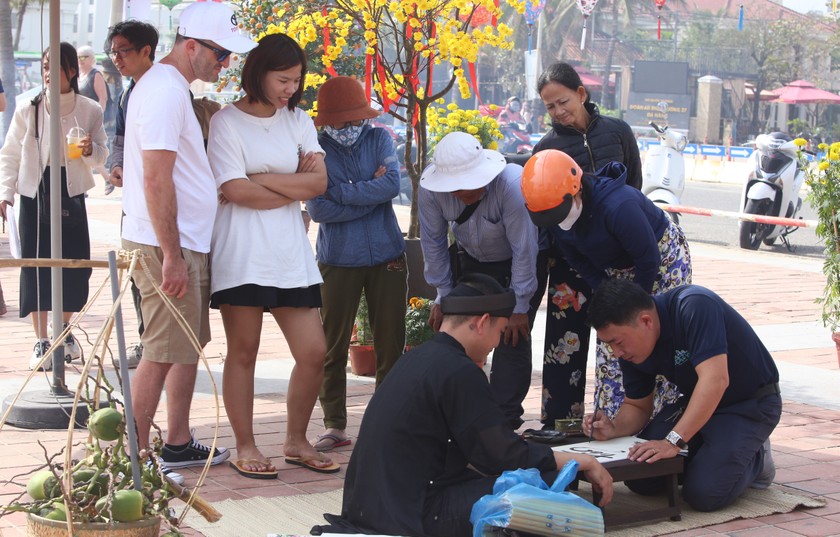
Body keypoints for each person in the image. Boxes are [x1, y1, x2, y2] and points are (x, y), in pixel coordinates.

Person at [330, 273, 613, 537]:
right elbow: (503, 456)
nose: (497, 343)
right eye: (500, 331)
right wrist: (581, 461)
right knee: (542, 483)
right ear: (481, 322)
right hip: (411, 516)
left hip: (370, 508)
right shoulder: (458, 369)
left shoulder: (418, 357)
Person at [121, 1, 255, 479]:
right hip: (166, 244)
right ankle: (127, 464)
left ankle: (176, 443)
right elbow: (157, 180)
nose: (225, 65)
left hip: (182, 241)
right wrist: (173, 255)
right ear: (192, 46)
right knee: (159, 350)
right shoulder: (163, 91)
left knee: (182, 345)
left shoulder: (171, 87)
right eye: (220, 55)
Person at [207, 33, 336, 478]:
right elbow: (232, 189)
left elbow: (318, 184)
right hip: (241, 252)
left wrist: (259, 177)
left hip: (288, 254)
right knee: (243, 351)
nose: (289, 89)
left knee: (314, 351)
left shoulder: (298, 120)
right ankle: (245, 445)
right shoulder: (226, 122)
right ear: (258, 72)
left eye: (296, 81)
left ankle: (296, 440)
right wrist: (284, 181)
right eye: (283, 79)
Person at [585, 279, 781, 512]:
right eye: (609, 345)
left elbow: (716, 380)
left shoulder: (694, 306)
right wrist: (613, 428)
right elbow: (637, 406)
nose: (616, 352)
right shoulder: (632, 348)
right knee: (642, 477)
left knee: (705, 494)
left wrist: (673, 441)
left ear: (645, 321)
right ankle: (711, 457)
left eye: (617, 342)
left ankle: (756, 457)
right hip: (695, 401)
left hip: (748, 403)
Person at [521, 150, 690, 418]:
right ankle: (613, 419)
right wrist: (606, 294)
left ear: (576, 191)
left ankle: (661, 418)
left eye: (560, 212)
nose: (558, 221)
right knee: (614, 341)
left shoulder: (618, 206)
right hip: (616, 267)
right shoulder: (554, 218)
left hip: (661, 261)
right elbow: (579, 261)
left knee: (652, 333)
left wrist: (629, 307)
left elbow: (648, 259)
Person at [533, 61, 644, 426]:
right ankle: (560, 423)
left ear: (581, 94)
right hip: (568, 257)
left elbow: (634, 189)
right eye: (550, 107)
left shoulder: (618, 132)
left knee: (619, 338)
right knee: (565, 343)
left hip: (616, 255)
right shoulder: (546, 148)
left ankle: (617, 418)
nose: (559, 111)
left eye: (563, 101)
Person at [307, 76, 406, 452]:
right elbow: (318, 209)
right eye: (341, 120)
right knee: (330, 345)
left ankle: (389, 420)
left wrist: (340, 192)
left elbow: (392, 185)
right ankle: (334, 423)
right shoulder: (314, 149)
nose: (349, 126)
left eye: (354, 118)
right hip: (337, 259)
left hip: (388, 254)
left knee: (391, 342)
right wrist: (369, 189)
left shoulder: (380, 137)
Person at [419, 131, 542, 430]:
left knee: (511, 337)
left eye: (471, 183)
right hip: (471, 258)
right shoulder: (430, 191)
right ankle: (464, 412)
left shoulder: (512, 184)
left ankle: (504, 420)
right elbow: (433, 242)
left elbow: (524, 249)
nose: (464, 191)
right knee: (462, 334)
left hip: (516, 263)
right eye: (456, 187)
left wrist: (519, 306)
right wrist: (443, 296)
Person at [0, 42, 107, 370]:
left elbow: (101, 157)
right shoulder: (28, 105)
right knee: (35, 266)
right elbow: (10, 152)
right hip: (34, 192)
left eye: (55, 67)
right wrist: (5, 193)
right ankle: (41, 341)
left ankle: (64, 334)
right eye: (45, 66)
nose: (47, 73)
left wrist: (90, 151)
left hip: (71, 190)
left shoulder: (90, 109)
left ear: (72, 71)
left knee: (74, 265)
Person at [105, 20, 159, 369]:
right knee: (137, 277)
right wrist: (116, 165)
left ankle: (154, 343)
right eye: (113, 53)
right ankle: (145, 340)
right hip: (134, 205)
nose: (117, 59)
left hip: (161, 204)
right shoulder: (128, 92)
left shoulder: (166, 89)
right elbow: (119, 143)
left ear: (146, 51)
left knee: (160, 278)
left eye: (123, 51)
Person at [77, 45, 114, 195]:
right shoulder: (80, 76)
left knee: (88, 151)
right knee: (81, 150)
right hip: (82, 118)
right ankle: (88, 185)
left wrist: (97, 118)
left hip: (94, 119)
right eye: (78, 57)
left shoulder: (95, 74)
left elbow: (103, 98)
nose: (80, 60)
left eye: (84, 57)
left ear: (91, 59)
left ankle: (106, 179)